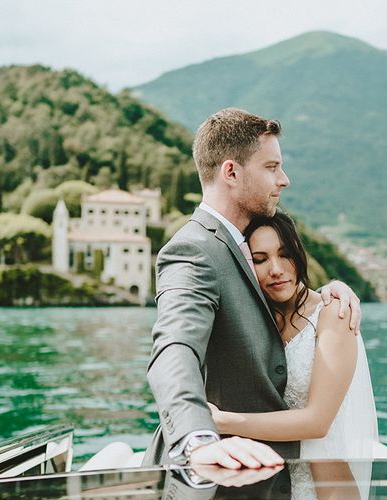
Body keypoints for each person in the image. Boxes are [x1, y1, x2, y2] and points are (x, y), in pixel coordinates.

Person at [144, 107, 362, 478]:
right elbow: (174, 349)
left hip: (265, 480)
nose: (284, 180)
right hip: (215, 477)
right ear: (231, 172)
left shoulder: (242, 243)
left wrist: (328, 292)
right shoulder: (193, 249)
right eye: (271, 167)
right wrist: (198, 440)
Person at [208, 212, 377, 500]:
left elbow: (317, 422)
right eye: (260, 259)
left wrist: (221, 422)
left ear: (299, 253)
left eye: (284, 254)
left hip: (328, 474)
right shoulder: (257, 319)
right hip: (274, 477)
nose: (276, 268)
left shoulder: (333, 313)